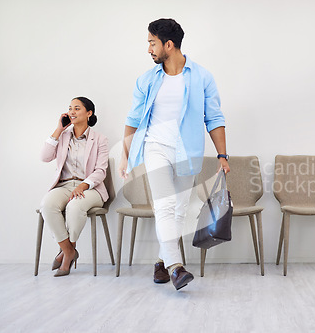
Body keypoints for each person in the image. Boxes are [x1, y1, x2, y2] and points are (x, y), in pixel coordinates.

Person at [119, 18, 230, 290]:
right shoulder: (146, 80)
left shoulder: (202, 77)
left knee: (179, 211)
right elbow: (132, 121)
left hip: (187, 151)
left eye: (152, 43)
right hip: (155, 148)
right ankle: (175, 268)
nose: (149, 49)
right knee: (165, 206)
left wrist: (222, 155)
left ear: (169, 44)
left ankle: (160, 261)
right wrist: (126, 157)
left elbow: (214, 118)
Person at [40, 97, 109, 277]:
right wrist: (58, 129)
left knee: (74, 206)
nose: (72, 112)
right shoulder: (62, 136)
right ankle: (69, 251)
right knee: (47, 205)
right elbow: (45, 157)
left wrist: (85, 184)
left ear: (89, 113)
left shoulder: (100, 139)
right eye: (70, 108)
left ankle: (68, 251)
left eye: (77, 108)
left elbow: (101, 171)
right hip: (64, 185)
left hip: (91, 188)